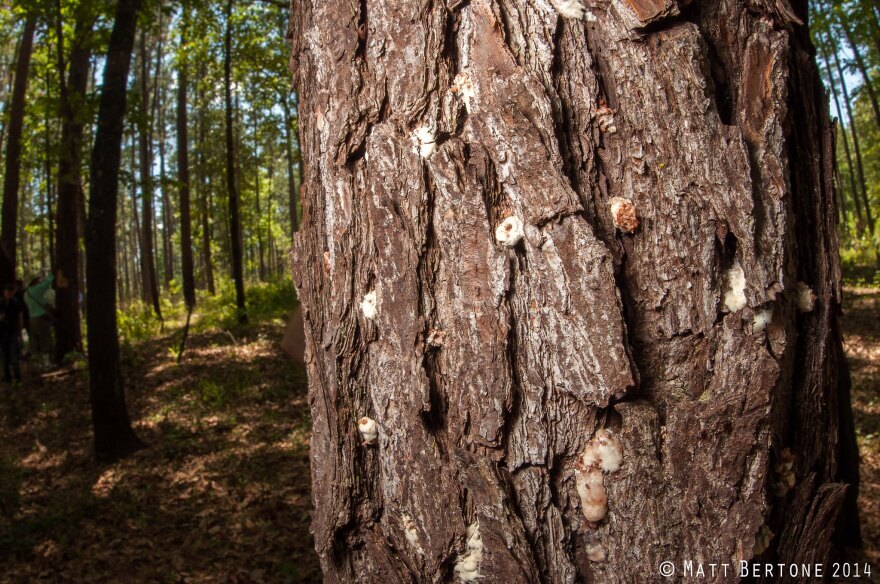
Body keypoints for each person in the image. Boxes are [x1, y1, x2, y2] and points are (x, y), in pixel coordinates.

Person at [24, 273, 54, 369]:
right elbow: (48, 282)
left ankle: (37, 363)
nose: (39, 281)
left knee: (35, 340)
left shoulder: (26, 293)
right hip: (41, 317)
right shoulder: (37, 289)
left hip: (31, 318)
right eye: (38, 280)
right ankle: (46, 363)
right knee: (45, 339)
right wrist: (51, 274)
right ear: (35, 282)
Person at [0, 282, 23, 383]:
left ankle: (17, 378)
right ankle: (7, 377)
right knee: (4, 357)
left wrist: (20, 332)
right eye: (7, 292)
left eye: (10, 293)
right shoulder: (0, 303)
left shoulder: (16, 303)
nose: (8, 294)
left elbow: (20, 317)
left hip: (12, 332)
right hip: (2, 333)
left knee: (14, 357)